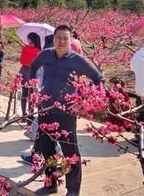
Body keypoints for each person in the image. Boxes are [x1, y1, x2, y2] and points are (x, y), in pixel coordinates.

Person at [25, 25, 104, 196]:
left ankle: (73, 190)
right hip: (45, 109)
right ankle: (50, 184)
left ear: (70, 40)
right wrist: (34, 88)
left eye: (65, 38)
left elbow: (99, 78)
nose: (62, 41)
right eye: (59, 37)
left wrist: (85, 99)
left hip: (67, 113)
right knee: (47, 149)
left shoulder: (77, 60)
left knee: (70, 153)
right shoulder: (45, 54)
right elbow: (33, 67)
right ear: (53, 39)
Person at [19, 32, 42, 121]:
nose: (27, 40)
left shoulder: (25, 48)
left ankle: (23, 114)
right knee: (31, 95)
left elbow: (21, 61)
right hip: (33, 72)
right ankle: (30, 114)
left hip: (24, 71)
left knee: (24, 94)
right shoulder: (39, 51)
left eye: (28, 38)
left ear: (31, 40)